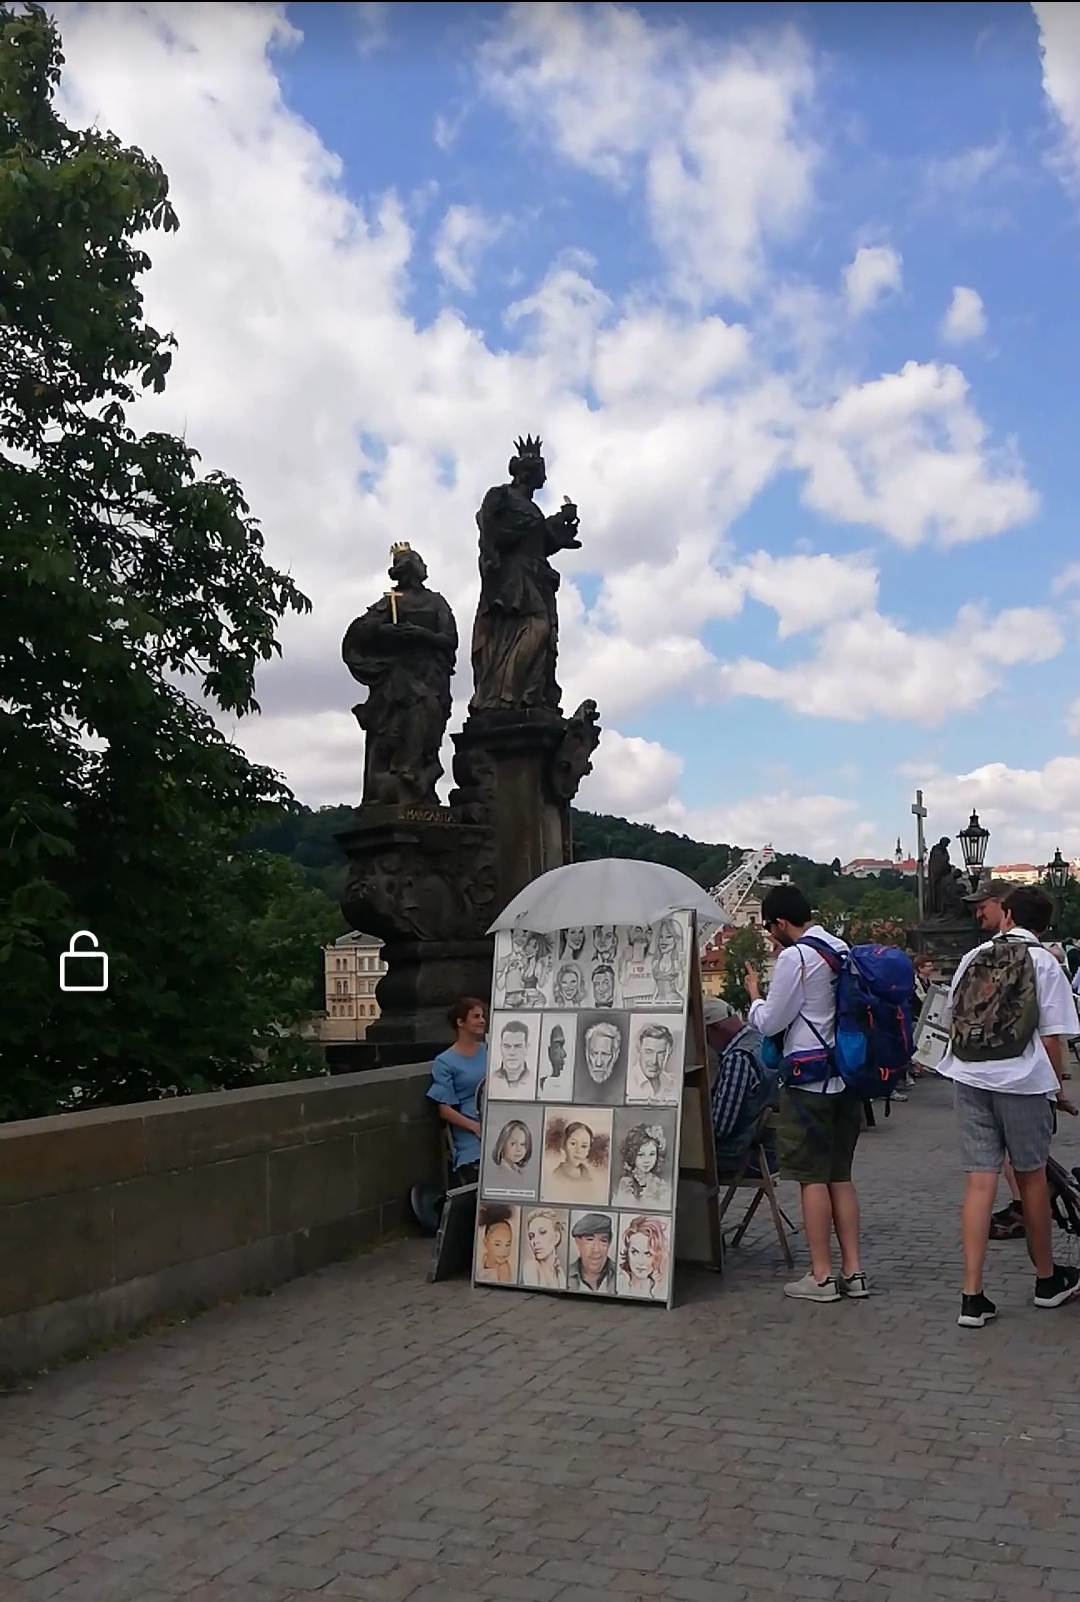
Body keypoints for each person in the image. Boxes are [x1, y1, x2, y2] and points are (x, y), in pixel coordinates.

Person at [938, 885, 1080, 1328]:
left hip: (970, 1075)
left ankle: (972, 1295)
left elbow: (951, 1018)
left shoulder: (973, 956)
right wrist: (1058, 1092)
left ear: (1009, 915)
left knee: (979, 1183)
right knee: (1031, 1179)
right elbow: (1053, 1039)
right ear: (1045, 924)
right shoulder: (1045, 962)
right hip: (1023, 1081)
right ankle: (1046, 1280)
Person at [744, 885, 866, 1304]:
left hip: (808, 1080)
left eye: (769, 928)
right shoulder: (840, 947)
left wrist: (754, 997)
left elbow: (771, 1022)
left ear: (780, 922)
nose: (770, 935)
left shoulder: (795, 957)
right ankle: (854, 1271)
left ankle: (821, 1275)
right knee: (840, 1176)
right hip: (846, 1076)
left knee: (811, 1178)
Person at [707, 1002, 778, 1174]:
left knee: (675, 1158)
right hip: (771, 1151)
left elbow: (720, 1128)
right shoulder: (760, 1039)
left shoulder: (738, 1058)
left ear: (715, 1029)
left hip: (746, 1157)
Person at [427, 997, 488, 1186]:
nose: (482, 1020)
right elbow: (444, 1110)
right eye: (476, 1017)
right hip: (471, 1132)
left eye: (483, 1016)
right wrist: (476, 1128)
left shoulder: (490, 1051)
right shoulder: (445, 1061)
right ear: (460, 1022)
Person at [612, 1122, 670, 1208]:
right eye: (641, 1154)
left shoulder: (661, 1185)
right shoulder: (626, 1182)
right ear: (632, 1155)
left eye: (652, 1154)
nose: (647, 1160)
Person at [617, 1216, 668, 1299]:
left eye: (648, 1254)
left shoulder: (660, 1289)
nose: (640, 1261)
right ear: (627, 1252)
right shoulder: (619, 1283)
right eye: (634, 1252)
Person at [568, 1212, 616, 1293]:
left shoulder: (621, 1275)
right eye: (590, 1239)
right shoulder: (565, 1275)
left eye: (603, 1241)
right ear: (578, 1242)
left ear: (609, 1244)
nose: (596, 1249)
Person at [520, 1208, 567, 1289]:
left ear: (556, 1237)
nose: (535, 1241)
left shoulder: (560, 1272)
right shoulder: (531, 1267)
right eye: (531, 1236)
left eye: (542, 1232)